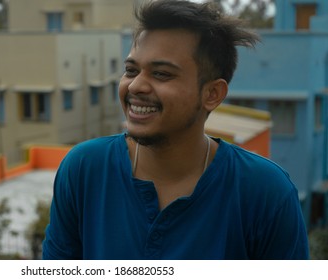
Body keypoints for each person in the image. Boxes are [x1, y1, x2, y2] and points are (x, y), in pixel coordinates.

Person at [42, 0, 309, 260]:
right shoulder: (85, 169)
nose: (135, 87)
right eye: (131, 70)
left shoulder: (264, 192)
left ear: (212, 94)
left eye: (161, 74)